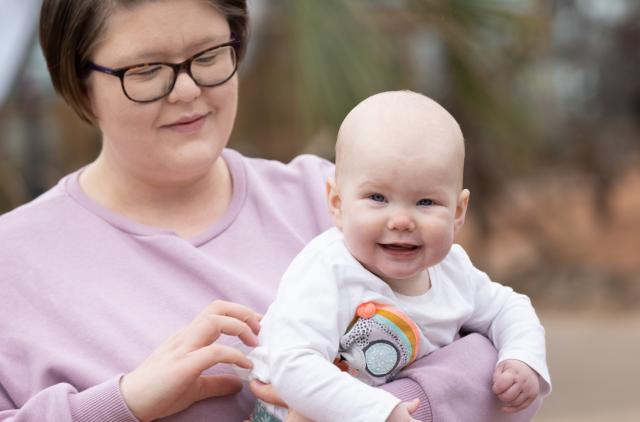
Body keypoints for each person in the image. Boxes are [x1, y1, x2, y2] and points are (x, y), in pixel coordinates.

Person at [0, 1, 544, 421]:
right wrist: (124, 403)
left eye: (209, 56)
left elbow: (489, 349)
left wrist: (379, 408)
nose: (188, 89)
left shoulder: (330, 197)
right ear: (78, 81)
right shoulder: (13, 262)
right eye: (146, 70)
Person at [246, 91, 551, 422]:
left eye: (426, 202)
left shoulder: (454, 271)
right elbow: (293, 365)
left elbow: (510, 308)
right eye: (377, 197)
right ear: (337, 203)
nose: (402, 221)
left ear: (458, 212)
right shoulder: (326, 270)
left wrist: (521, 357)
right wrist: (382, 411)